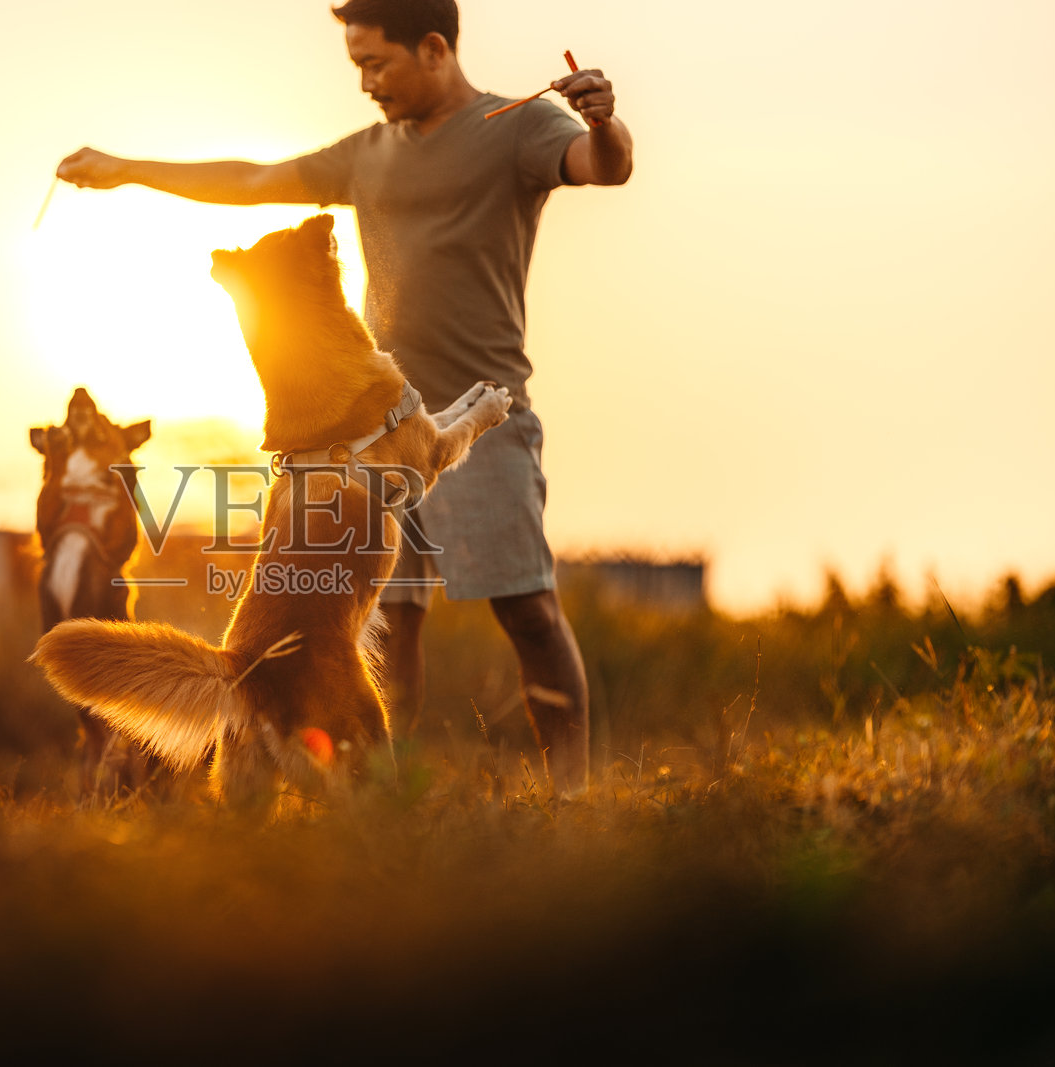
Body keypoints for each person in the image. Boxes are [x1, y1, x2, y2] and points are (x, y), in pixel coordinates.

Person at [55, 0, 632, 796]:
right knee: (381, 634)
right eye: (355, 66)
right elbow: (254, 180)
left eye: (376, 64)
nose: (364, 84)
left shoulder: (514, 129)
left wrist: (604, 123)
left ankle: (572, 796)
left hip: (481, 418)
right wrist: (128, 168)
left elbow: (606, 166)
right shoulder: (368, 154)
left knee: (529, 612)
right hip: (360, 438)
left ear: (433, 49)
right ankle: (382, 801)